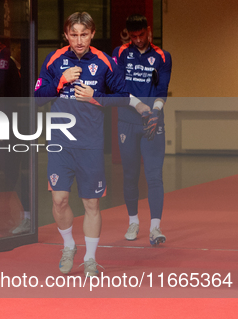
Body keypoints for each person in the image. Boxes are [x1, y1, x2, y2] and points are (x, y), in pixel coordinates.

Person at [35, 12, 148, 276]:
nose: (78, 40)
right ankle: (68, 246)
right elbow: (38, 98)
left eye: (83, 34)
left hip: (91, 144)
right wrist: (60, 81)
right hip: (60, 142)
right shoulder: (54, 60)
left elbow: (122, 97)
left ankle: (90, 258)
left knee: (91, 204)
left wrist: (95, 97)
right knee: (60, 200)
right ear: (66, 35)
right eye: (73, 35)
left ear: (92, 34)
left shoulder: (105, 62)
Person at [112, 14, 172, 245]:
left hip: (152, 122)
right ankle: (133, 221)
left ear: (148, 30)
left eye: (141, 35)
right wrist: (137, 105)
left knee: (154, 175)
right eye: (133, 36)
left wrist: (155, 111)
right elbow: (117, 87)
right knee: (130, 174)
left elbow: (162, 88)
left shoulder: (162, 56)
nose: (138, 40)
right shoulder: (120, 54)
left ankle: (155, 228)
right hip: (127, 120)